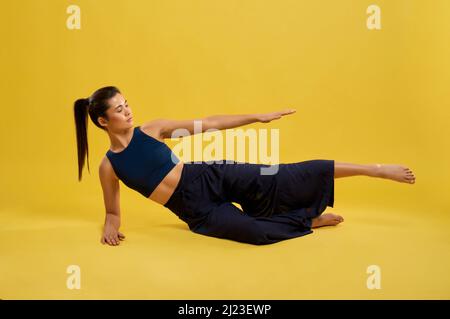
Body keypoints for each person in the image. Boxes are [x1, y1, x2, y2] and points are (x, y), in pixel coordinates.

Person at [73, 86, 416, 246]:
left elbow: (208, 123)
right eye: (119, 109)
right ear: (103, 121)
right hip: (196, 211)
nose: (128, 111)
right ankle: (307, 220)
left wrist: (256, 117)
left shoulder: (153, 129)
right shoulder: (109, 166)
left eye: (127, 103)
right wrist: (109, 226)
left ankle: (375, 169)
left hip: (210, 176)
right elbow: (113, 212)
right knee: (255, 233)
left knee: (284, 176)